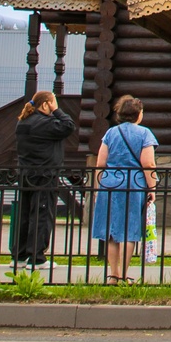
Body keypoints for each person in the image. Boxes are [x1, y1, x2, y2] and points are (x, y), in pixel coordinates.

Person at [89, 94, 157, 282]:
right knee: (130, 230)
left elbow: (101, 162)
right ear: (138, 114)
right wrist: (152, 188)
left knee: (112, 231)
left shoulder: (111, 133)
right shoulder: (144, 134)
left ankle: (113, 274)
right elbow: (148, 163)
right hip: (133, 183)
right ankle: (125, 274)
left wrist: (99, 185)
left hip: (110, 183)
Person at [11, 89, 75, 273]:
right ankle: (37, 257)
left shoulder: (23, 122)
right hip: (44, 175)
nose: (56, 106)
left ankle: (19, 256)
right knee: (42, 215)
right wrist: (57, 111)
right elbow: (68, 126)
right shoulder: (45, 123)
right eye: (53, 102)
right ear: (46, 104)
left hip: (25, 174)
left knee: (24, 215)